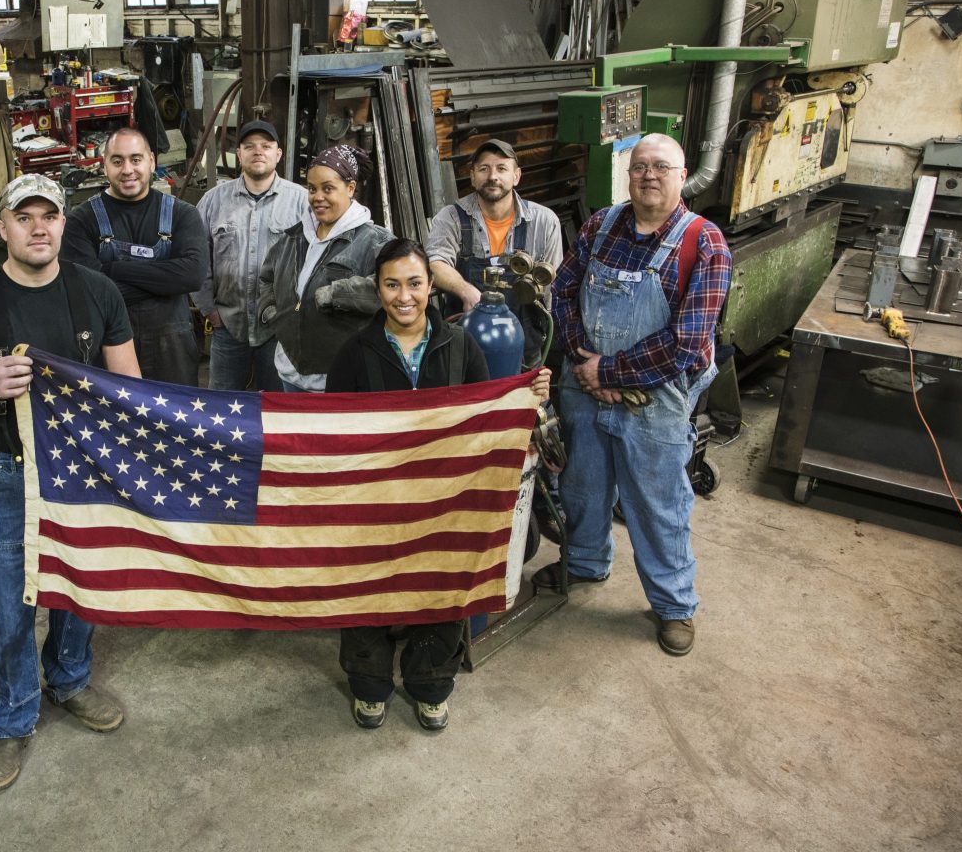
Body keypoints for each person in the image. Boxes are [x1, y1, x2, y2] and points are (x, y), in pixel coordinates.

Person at [0, 173, 141, 793]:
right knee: (11, 605)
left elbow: (128, 385)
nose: (40, 226)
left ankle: (70, 679)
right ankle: (13, 718)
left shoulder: (98, 292)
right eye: (25, 217)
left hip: (84, 473)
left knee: (78, 589)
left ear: (64, 223)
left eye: (50, 214)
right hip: (9, 473)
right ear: (2, 228)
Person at [328, 238, 551, 732]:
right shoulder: (353, 354)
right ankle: (369, 685)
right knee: (369, 594)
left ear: (432, 286)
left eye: (414, 283)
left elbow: (487, 417)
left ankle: (431, 686)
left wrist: (527, 393)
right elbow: (333, 433)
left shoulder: (461, 346)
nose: (403, 296)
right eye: (391, 285)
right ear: (376, 288)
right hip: (376, 506)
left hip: (444, 507)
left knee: (442, 591)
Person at [534, 134, 732, 658]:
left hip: (654, 402)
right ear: (629, 173)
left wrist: (613, 372)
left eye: (661, 167)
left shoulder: (703, 242)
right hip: (585, 385)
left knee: (657, 505)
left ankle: (673, 606)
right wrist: (583, 360)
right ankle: (584, 564)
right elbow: (564, 292)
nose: (649, 175)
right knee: (581, 487)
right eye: (641, 166)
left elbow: (690, 342)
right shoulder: (601, 226)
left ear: (682, 174)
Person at [61, 127, 206, 386]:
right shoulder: (80, 221)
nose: (127, 169)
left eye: (136, 159)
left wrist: (111, 270)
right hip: (108, 348)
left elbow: (191, 276)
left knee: (173, 424)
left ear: (151, 161)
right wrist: (165, 284)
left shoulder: (183, 215)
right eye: (117, 161)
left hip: (172, 352)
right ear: (104, 165)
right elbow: (84, 291)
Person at [257, 143, 392, 393]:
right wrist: (270, 311)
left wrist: (338, 294)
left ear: (350, 188)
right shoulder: (294, 237)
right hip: (290, 372)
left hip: (340, 377)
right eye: (312, 189)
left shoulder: (376, 241)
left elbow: (394, 287)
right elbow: (267, 277)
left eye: (328, 188)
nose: (318, 197)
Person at [191, 119, 307, 391]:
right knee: (221, 410)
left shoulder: (301, 202)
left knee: (277, 410)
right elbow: (196, 258)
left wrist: (297, 316)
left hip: (279, 332)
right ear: (239, 154)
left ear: (278, 154)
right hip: (228, 326)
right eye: (250, 146)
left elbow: (313, 260)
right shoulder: (213, 201)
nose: (258, 152)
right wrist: (209, 309)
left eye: (266, 146)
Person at [426, 139, 563, 315]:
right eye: (484, 169)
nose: (492, 176)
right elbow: (434, 263)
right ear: (473, 177)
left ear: (516, 176)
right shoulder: (451, 218)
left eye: (501, 168)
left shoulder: (545, 221)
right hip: (467, 332)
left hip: (525, 333)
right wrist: (466, 291)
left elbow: (554, 289)